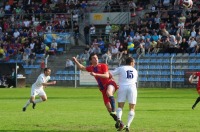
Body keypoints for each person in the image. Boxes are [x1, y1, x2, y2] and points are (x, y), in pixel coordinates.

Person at [72, 53, 119, 126]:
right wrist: (76, 61)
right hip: (103, 89)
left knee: (109, 93)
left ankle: (114, 110)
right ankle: (119, 122)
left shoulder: (103, 65)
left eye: (96, 57)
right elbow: (82, 68)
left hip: (110, 83)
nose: (96, 58)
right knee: (108, 109)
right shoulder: (91, 67)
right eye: (94, 58)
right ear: (91, 60)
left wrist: (96, 74)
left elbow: (106, 76)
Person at [110, 57, 138, 132]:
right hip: (132, 88)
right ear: (131, 62)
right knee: (132, 108)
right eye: (134, 62)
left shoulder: (121, 68)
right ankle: (128, 125)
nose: (134, 64)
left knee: (120, 106)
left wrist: (113, 81)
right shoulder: (135, 70)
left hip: (122, 87)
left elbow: (110, 74)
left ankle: (118, 118)